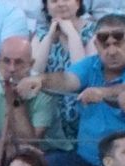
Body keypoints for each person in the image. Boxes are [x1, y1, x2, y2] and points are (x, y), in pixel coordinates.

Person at [16, 14, 125, 166]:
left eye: (118, 42)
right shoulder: (90, 64)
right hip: (91, 159)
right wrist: (41, 80)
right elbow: (67, 79)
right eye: (105, 44)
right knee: (55, 165)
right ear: (96, 45)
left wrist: (102, 92)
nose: (111, 51)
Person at [0, 35, 61, 161]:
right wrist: (8, 151)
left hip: (48, 152)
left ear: (31, 64)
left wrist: (15, 100)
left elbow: (30, 143)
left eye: (18, 62)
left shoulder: (44, 90)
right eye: (6, 61)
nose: (12, 68)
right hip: (6, 149)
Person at [32, 0, 95, 145]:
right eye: (53, 1)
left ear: (78, 3)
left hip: (81, 105)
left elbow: (83, 73)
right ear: (46, 7)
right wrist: (49, 37)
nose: (60, 4)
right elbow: (35, 71)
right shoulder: (41, 33)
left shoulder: (93, 32)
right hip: (49, 110)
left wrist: (72, 34)